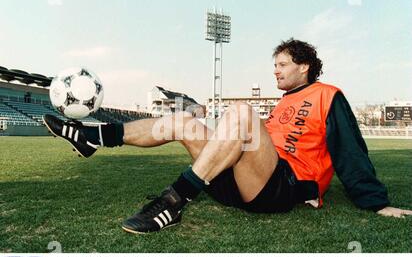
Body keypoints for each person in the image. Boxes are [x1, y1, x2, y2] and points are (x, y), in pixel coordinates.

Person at [43, 38, 412, 234]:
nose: (276, 72)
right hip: (241, 180)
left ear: (305, 66)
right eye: (274, 66)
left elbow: (350, 151)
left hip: (282, 186)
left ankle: (173, 202)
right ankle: (95, 137)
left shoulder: (328, 95)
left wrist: (375, 202)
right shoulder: (284, 103)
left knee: (240, 113)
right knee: (182, 121)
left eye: (282, 65)